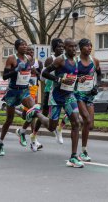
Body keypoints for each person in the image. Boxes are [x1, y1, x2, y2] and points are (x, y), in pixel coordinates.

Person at [0, 39, 48, 156]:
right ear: (17, 47)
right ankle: (0, 143)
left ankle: (24, 132)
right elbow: (4, 76)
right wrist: (16, 70)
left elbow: (30, 72)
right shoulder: (12, 59)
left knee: (34, 110)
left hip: (24, 90)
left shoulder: (29, 59)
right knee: (9, 120)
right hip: (13, 92)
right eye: (22, 45)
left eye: (26, 45)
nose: (25, 47)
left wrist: (34, 73)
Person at [42, 38, 86, 168]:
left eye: (75, 47)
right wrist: (59, 79)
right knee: (51, 127)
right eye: (71, 47)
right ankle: (36, 114)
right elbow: (45, 73)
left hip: (69, 96)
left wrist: (79, 79)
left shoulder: (77, 61)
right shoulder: (60, 60)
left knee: (76, 122)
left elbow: (72, 77)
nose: (74, 49)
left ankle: (73, 156)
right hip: (56, 96)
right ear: (65, 47)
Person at [29, 38, 65, 151]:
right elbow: (42, 77)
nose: (62, 48)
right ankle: (33, 136)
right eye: (59, 46)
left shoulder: (65, 59)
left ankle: (59, 129)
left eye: (63, 46)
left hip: (64, 90)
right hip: (50, 91)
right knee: (44, 114)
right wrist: (56, 79)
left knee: (71, 111)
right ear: (54, 48)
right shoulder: (51, 59)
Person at [75, 38, 101, 162]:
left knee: (90, 124)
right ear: (81, 48)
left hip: (89, 94)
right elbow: (69, 76)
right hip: (78, 93)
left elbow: (99, 75)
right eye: (87, 46)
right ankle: (83, 152)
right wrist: (77, 79)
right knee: (86, 118)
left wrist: (97, 86)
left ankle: (83, 148)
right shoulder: (75, 61)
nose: (90, 48)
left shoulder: (94, 61)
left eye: (91, 46)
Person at [15, 45, 43, 148]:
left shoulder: (38, 62)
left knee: (29, 114)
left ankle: (22, 131)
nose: (31, 52)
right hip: (24, 89)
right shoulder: (22, 62)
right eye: (28, 50)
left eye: (32, 50)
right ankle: (33, 140)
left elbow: (42, 77)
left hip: (34, 89)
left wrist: (36, 72)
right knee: (32, 113)